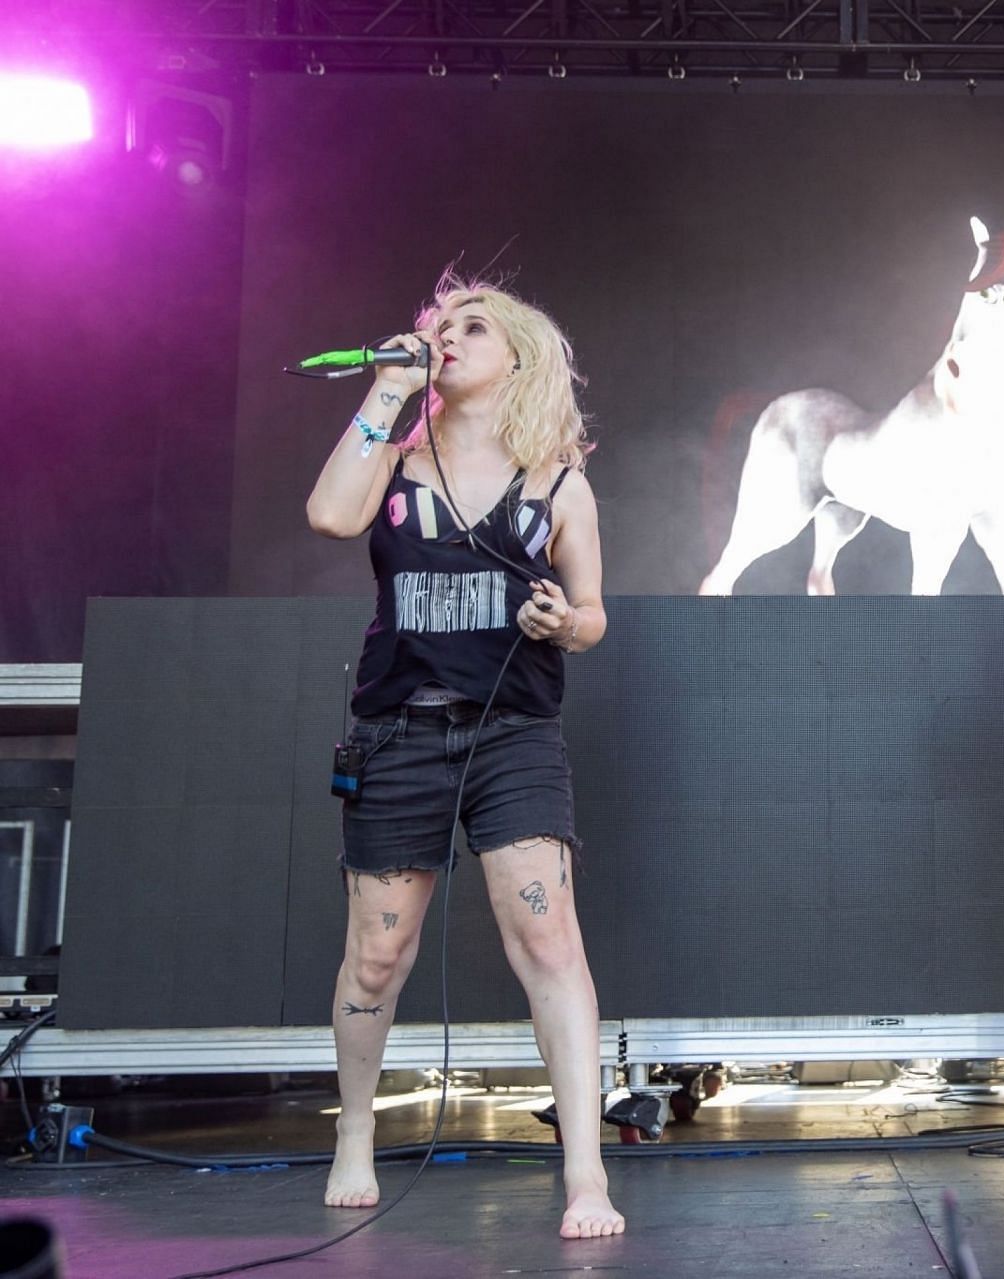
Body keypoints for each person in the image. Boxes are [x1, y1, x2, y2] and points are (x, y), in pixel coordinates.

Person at [305, 276, 623, 1239]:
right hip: (398, 727)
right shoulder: (397, 458)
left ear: (518, 355)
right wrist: (388, 389)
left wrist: (564, 622)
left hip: (513, 733)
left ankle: (585, 1172)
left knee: (549, 941)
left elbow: (595, 613)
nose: (445, 336)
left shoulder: (559, 484)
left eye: (470, 326)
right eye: (437, 327)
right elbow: (328, 514)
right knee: (378, 952)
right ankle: (354, 1131)